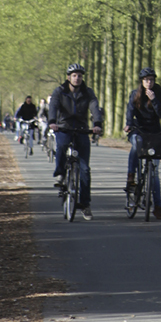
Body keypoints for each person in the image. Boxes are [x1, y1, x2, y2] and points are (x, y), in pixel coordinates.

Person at [48, 62, 103, 221]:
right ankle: (60, 173)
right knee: (62, 146)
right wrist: (52, 121)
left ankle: (85, 205)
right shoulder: (60, 91)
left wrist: (97, 124)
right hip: (63, 127)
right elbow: (53, 106)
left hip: (81, 129)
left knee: (85, 169)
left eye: (79, 76)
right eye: (74, 75)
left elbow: (94, 108)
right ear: (68, 77)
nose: (77, 78)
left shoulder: (88, 93)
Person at [124, 67, 161, 219]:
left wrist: (155, 100)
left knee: (154, 173)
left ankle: (157, 207)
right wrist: (129, 124)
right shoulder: (135, 94)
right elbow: (130, 111)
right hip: (138, 130)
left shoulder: (159, 94)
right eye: (146, 80)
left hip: (155, 133)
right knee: (136, 143)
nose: (149, 82)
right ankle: (131, 175)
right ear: (141, 82)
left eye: (151, 80)